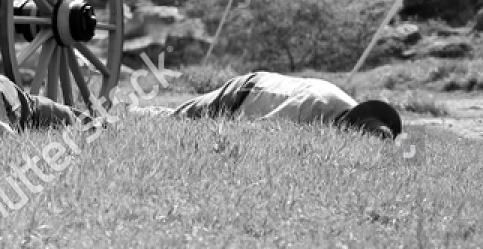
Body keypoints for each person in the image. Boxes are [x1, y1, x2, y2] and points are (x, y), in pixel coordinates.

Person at [169, 71, 402, 138]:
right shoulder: (313, 106)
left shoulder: (343, 110)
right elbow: (260, 130)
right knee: (177, 118)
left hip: (255, 93)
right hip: (243, 93)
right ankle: (134, 110)